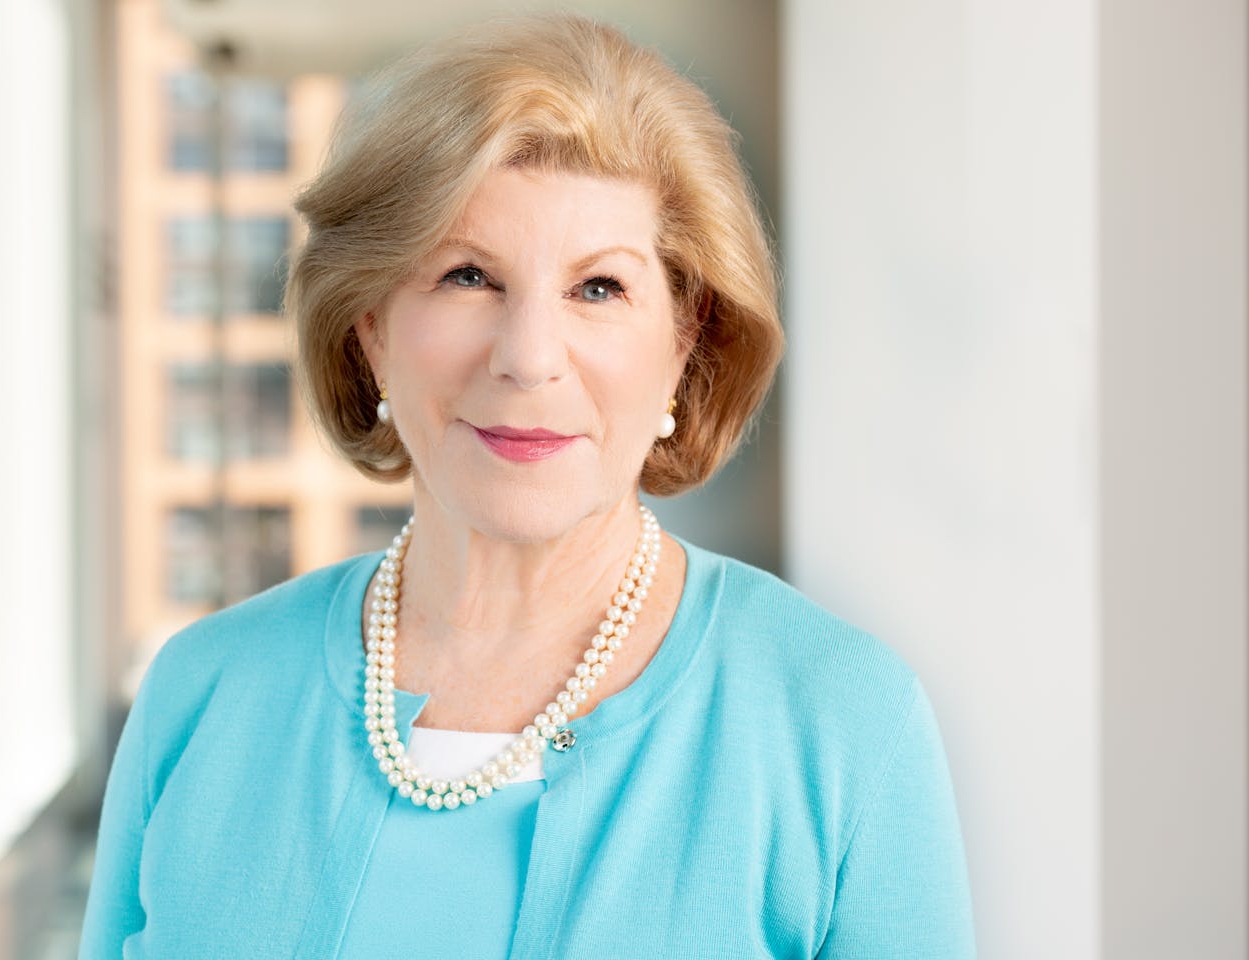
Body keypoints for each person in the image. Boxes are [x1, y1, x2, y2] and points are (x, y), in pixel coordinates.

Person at [78, 13, 975, 959]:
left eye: (600, 288)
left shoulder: (843, 724)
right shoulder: (202, 696)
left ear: (685, 341)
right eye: (467, 275)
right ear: (370, 327)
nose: (528, 357)